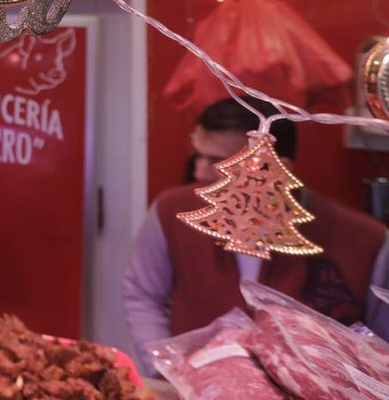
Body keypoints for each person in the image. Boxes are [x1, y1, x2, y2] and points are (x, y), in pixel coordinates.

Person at [122, 95, 389, 376]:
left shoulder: (364, 240)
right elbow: (143, 293)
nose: (199, 171)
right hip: (194, 388)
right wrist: (161, 369)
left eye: (217, 162)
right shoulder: (172, 212)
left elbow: (381, 342)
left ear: (275, 167)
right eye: (198, 155)